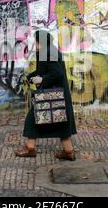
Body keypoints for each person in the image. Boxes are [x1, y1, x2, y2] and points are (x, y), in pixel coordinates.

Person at [15, 30, 77, 161]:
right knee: (62, 122)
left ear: (41, 42)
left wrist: (42, 80)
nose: (34, 43)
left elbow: (57, 73)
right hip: (57, 94)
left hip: (52, 94)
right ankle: (69, 151)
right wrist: (30, 76)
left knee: (32, 118)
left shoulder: (50, 52)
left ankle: (30, 148)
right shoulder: (48, 51)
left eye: (36, 41)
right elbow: (42, 70)